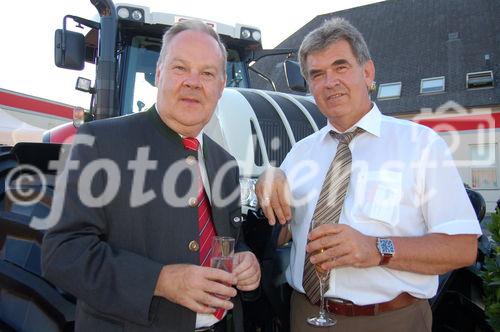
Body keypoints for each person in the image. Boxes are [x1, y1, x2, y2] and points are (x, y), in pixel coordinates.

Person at [256, 17, 481, 332]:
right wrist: (267, 182)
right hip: (304, 315)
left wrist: (377, 248)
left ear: (368, 72)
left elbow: (462, 248)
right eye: (317, 74)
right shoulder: (299, 154)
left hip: (391, 320)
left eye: (341, 67)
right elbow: (280, 235)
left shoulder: (422, 145)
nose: (329, 82)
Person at [42, 20, 260, 331]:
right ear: (158, 74)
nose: (193, 82)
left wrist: (244, 258)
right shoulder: (100, 143)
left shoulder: (225, 164)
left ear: (222, 85)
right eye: (180, 68)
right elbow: (63, 253)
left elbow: (230, 241)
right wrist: (161, 281)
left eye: (208, 73)